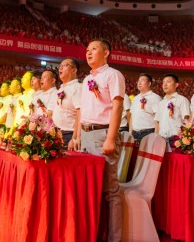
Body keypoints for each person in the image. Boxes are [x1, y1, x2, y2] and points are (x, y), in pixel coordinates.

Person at [70, 38, 125, 242]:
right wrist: (76, 136)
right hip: (85, 135)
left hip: (102, 134)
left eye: (94, 49)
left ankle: (114, 238)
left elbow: (117, 107)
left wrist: (110, 138)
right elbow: (82, 110)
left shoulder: (113, 75)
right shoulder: (86, 80)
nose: (89, 52)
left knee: (111, 190)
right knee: (91, 187)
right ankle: (96, 233)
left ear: (106, 52)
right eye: (87, 50)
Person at [52, 58, 81, 145]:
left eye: (65, 65)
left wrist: (75, 138)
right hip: (57, 134)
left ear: (74, 70)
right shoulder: (61, 89)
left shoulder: (78, 87)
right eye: (60, 66)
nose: (60, 68)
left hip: (69, 134)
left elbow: (80, 113)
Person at [155, 73, 191, 141]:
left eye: (168, 82)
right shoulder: (161, 103)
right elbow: (157, 121)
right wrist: (156, 137)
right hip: (161, 138)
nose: (165, 84)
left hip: (175, 138)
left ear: (176, 85)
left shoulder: (182, 100)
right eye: (163, 82)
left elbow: (187, 120)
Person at [129, 73, 161, 141]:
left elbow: (158, 118)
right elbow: (132, 117)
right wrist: (130, 133)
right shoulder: (135, 98)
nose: (139, 83)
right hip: (135, 133)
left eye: (142, 80)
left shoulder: (155, 98)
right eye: (138, 81)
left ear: (149, 83)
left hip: (148, 133)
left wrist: (156, 136)